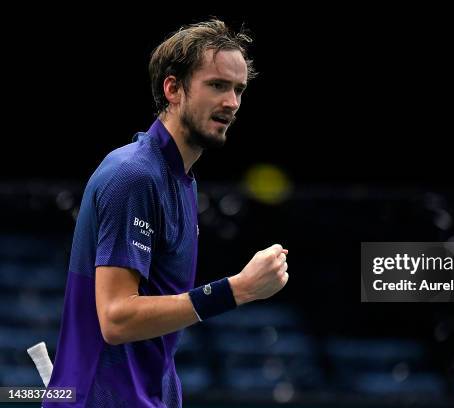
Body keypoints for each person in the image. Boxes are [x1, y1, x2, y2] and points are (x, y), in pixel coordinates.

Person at [44, 19, 289, 407]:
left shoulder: (181, 180)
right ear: (172, 88)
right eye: (217, 85)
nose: (232, 102)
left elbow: (155, 328)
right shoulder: (133, 175)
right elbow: (116, 318)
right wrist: (235, 290)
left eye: (239, 89)